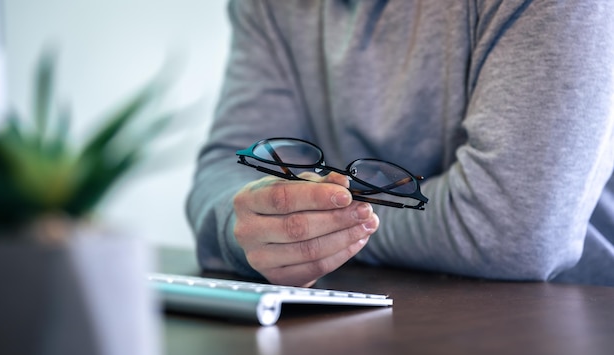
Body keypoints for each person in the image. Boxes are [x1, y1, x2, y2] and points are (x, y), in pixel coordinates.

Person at [186, 0, 614, 287]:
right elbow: (231, 167)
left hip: (567, 335)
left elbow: (514, 229)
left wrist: (319, 229)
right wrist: (250, 227)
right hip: (361, 324)